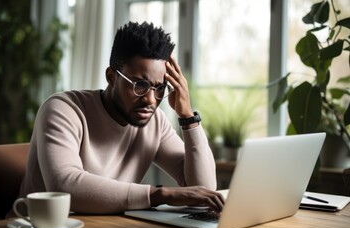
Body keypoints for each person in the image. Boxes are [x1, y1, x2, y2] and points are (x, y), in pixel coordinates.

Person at [17, 21, 225, 215]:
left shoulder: (156, 123)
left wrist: (188, 117)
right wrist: (158, 195)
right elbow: (64, 186)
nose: (151, 100)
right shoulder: (64, 109)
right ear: (111, 77)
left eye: (160, 88)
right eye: (139, 85)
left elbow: (203, 191)